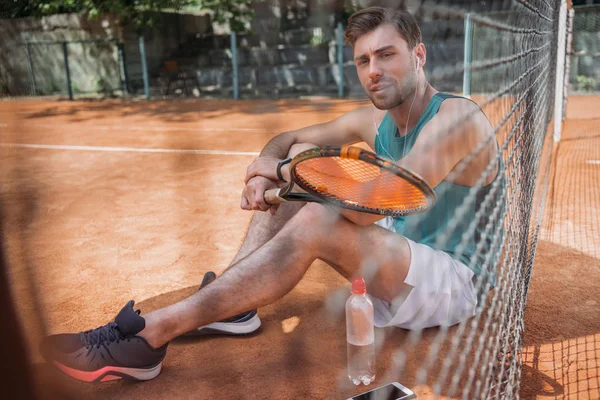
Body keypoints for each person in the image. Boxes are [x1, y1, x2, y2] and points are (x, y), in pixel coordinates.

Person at [40, 7, 504, 383]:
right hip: (403, 245)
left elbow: (371, 206)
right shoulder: (376, 122)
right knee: (306, 155)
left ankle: (153, 333)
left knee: (316, 212)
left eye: (387, 55)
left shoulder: (454, 121)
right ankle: (235, 305)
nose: (374, 71)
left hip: (455, 280)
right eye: (364, 61)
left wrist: (285, 176)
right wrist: (264, 175)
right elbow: (284, 139)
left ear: (419, 55)